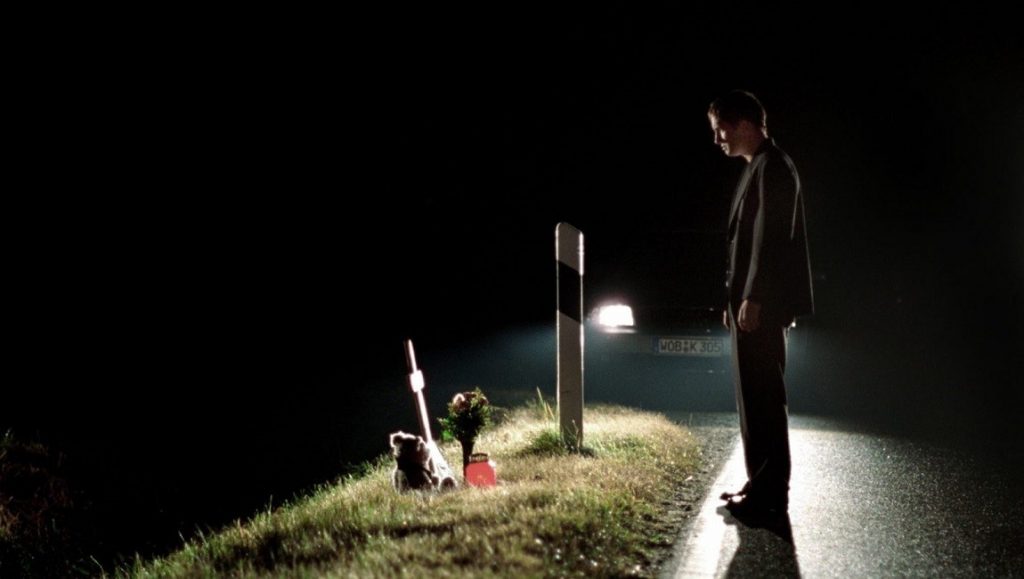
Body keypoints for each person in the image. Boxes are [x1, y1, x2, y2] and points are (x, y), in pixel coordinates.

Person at [708, 90, 814, 519]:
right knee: (751, 398)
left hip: (761, 305)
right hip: (748, 303)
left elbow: (770, 241)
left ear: (746, 124)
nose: (718, 140)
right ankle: (759, 483)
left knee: (765, 398)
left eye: (721, 129)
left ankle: (771, 495)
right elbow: (743, 243)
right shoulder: (759, 167)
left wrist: (754, 297)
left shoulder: (775, 167)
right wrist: (733, 298)